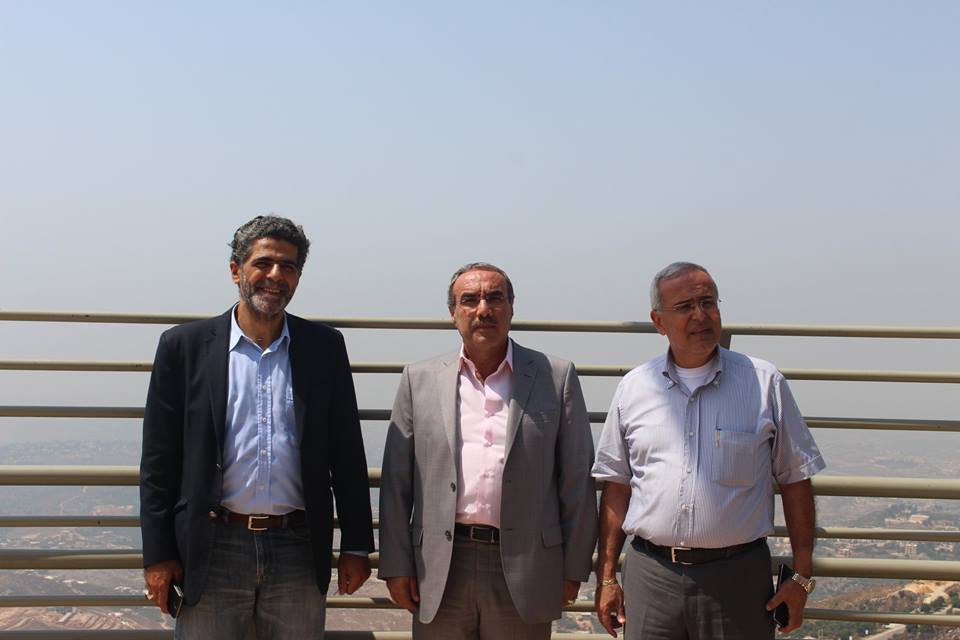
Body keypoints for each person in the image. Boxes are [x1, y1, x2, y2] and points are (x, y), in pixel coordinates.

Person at [139, 215, 375, 639]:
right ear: (236, 271)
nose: (275, 275)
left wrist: (356, 545)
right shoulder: (184, 347)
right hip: (212, 547)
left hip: (298, 547)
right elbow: (159, 461)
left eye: (288, 266)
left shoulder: (324, 347)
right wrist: (158, 555)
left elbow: (346, 452)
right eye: (263, 263)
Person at [592, 261, 825, 639]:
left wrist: (801, 578)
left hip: (738, 579)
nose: (700, 315)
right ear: (658, 321)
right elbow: (617, 487)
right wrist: (606, 579)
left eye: (708, 303)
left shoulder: (763, 382)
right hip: (651, 577)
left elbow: (796, 481)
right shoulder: (634, 388)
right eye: (685, 307)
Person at [378, 262, 598, 639]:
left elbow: (577, 479)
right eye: (470, 300)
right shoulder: (419, 379)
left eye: (495, 298)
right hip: (440, 565)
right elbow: (397, 482)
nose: (483, 309)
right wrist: (396, 565)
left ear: (511, 308)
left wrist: (574, 569)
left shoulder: (556, 376)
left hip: (527, 564)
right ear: (453, 313)